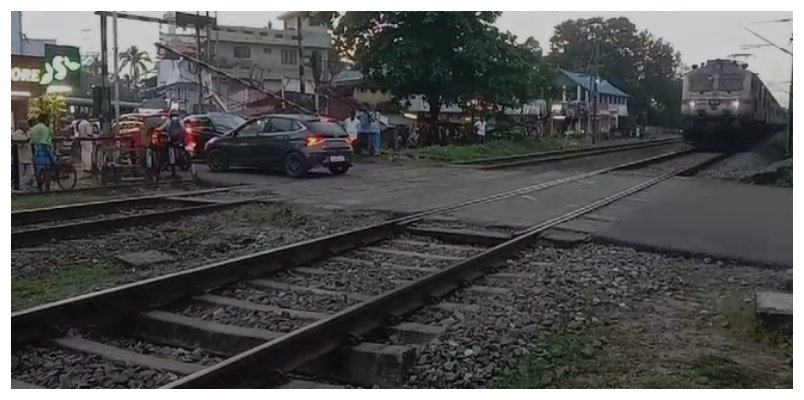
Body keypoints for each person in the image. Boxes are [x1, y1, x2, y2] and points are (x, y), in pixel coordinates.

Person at [29, 113, 55, 191]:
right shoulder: (44, 129)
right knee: (47, 170)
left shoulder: (34, 128)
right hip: (44, 149)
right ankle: (47, 188)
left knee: (38, 170)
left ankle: (39, 188)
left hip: (35, 150)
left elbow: (31, 140)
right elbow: (44, 142)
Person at [11, 120, 34, 190]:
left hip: (28, 155)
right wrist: (27, 140)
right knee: (21, 173)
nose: (28, 126)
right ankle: (21, 186)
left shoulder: (27, 132)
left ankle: (22, 185)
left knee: (31, 173)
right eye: (26, 124)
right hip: (21, 156)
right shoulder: (17, 134)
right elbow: (19, 143)